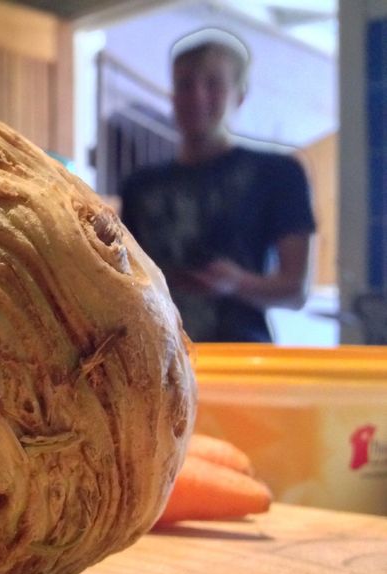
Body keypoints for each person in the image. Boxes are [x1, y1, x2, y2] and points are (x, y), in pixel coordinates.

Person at [119, 28, 316, 342]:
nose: (197, 96)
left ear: (239, 95)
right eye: (185, 85)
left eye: (213, 84)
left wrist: (237, 283)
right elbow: (123, 280)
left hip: (243, 356)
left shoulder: (278, 174)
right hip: (155, 355)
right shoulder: (138, 187)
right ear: (173, 95)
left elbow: (296, 291)